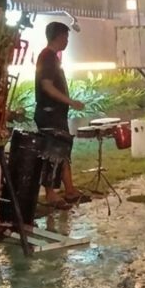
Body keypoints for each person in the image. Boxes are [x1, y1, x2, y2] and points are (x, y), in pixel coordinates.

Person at [35, 22, 88, 208]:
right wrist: (70, 101)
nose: (67, 41)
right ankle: (51, 194)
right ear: (58, 37)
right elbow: (47, 86)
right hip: (49, 114)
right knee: (52, 154)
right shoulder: (47, 57)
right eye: (66, 37)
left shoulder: (52, 58)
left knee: (63, 151)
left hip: (56, 114)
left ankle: (70, 190)